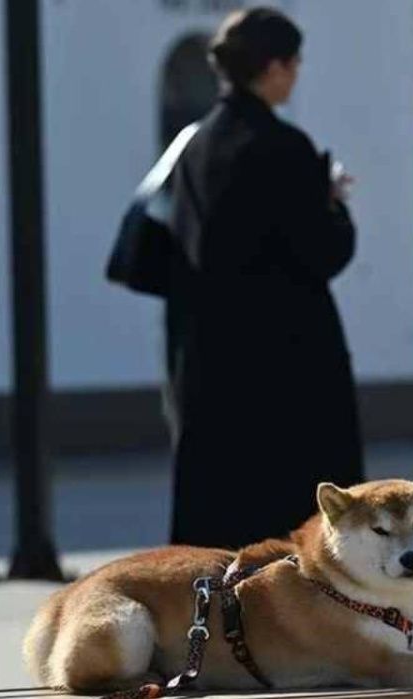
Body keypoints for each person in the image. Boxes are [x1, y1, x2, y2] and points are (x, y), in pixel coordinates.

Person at [164, 7, 363, 548]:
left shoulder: (195, 146)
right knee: (290, 523)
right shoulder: (282, 146)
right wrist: (333, 204)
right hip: (285, 367)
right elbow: (320, 251)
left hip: (210, 363)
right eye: (294, 62)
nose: (296, 74)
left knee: (221, 526)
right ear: (273, 67)